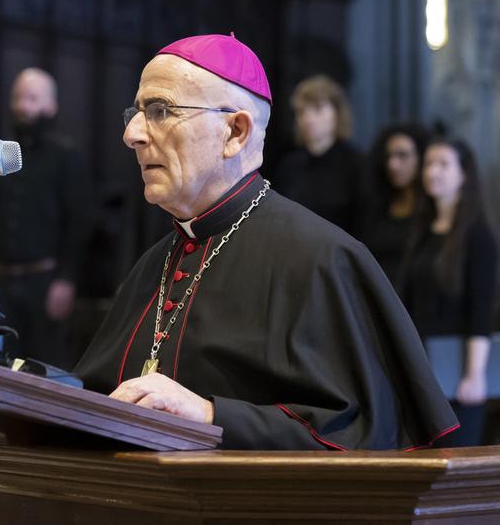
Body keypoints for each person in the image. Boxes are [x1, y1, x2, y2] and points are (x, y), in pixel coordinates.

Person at [75, 33, 457, 450]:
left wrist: (209, 415)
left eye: (161, 110)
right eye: (136, 112)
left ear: (235, 132)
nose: (132, 134)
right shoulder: (153, 265)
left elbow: (361, 436)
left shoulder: (321, 258)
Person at [0, 68, 92, 368]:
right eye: (19, 98)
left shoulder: (65, 156)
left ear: (51, 105)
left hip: (44, 282)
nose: (23, 106)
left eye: (33, 98)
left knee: (43, 370)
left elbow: (78, 221)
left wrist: (66, 279)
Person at [398, 136, 497, 447]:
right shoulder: (422, 229)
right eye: (429, 164)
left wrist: (474, 374)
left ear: (463, 174)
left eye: (443, 164)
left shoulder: (478, 235)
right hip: (424, 370)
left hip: (458, 373)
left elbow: (481, 310)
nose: (432, 172)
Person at [271, 75, 363, 236]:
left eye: (318, 109)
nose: (308, 119)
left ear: (337, 113)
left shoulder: (357, 165)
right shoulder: (289, 165)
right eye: (301, 111)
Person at [361, 123, 429, 283]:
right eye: (388, 156)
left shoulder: (432, 212)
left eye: (403, 155)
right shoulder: (377, 207)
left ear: (422, 158)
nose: (393, 165)